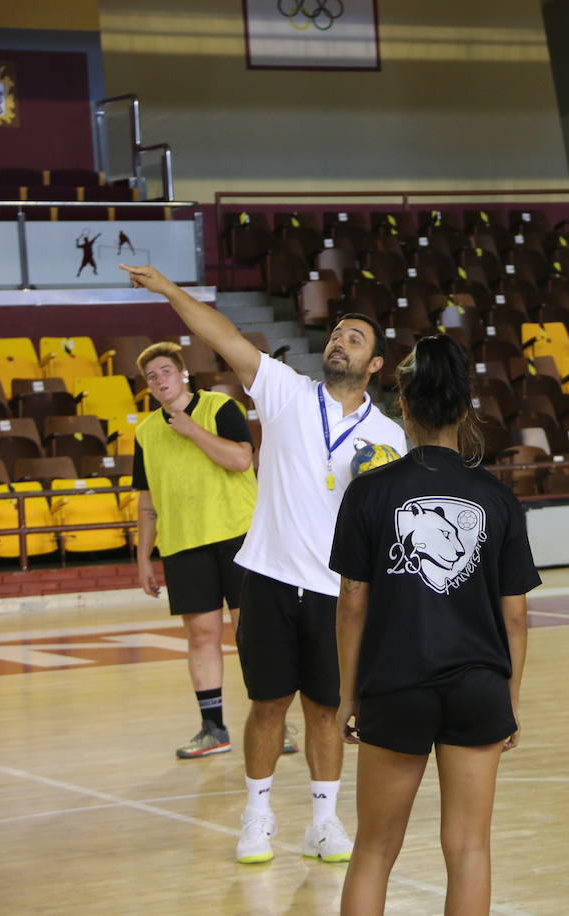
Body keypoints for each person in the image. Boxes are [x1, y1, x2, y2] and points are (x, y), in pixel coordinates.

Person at [121, 264, 406, 864]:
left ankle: (324, 823)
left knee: (327, 712)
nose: (339, 342)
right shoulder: (285, 391)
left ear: (375, 365)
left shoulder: (388, 437)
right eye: (336, 335)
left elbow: (390, 526)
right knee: (268, 705)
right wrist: (173, 291)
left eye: (355, 339)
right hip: (269, 579)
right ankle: (257, 815)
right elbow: (223, 335)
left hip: (337, 592)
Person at [331, 335, 537, 915]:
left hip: (396, 683)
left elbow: (351, 603)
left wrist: (349, 696)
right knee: (469, 848)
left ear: (406, 407)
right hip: (478, 687)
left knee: (374, 848)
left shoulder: (369, 492)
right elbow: (516, 616)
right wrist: (509, 700)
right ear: (464, 409)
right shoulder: (496, 497)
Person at [133, 342, 257, 759]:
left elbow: (242, 460)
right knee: (201, 636)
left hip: (238, 535)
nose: (159, 380)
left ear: (183, 373)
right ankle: (212, 728)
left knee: (251, 634)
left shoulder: (220, 408)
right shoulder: (146, 432)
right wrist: (143, 557)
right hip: (183, 543)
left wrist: (191, 430)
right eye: (151, 376)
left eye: (165, 371)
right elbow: (146, 499)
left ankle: (273, 720)